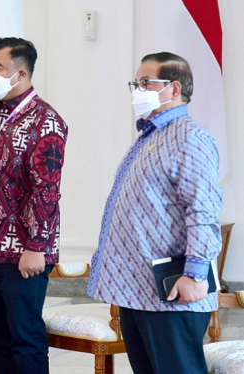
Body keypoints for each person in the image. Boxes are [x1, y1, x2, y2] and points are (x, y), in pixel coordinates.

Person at [87, 52, 222, 374]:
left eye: (146, 82)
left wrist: (194, 273)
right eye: (136, 83)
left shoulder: (190, 136)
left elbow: (202, 210)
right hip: (138, 290)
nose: (138, 89)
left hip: (173, 290)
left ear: (174, 89)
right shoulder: (152, 136)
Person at [0, 37, 68, 374]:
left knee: (25, 337)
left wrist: (37, 246)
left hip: (25, 251)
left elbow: (46, 190)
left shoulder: (45, 120)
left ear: (20, 74)